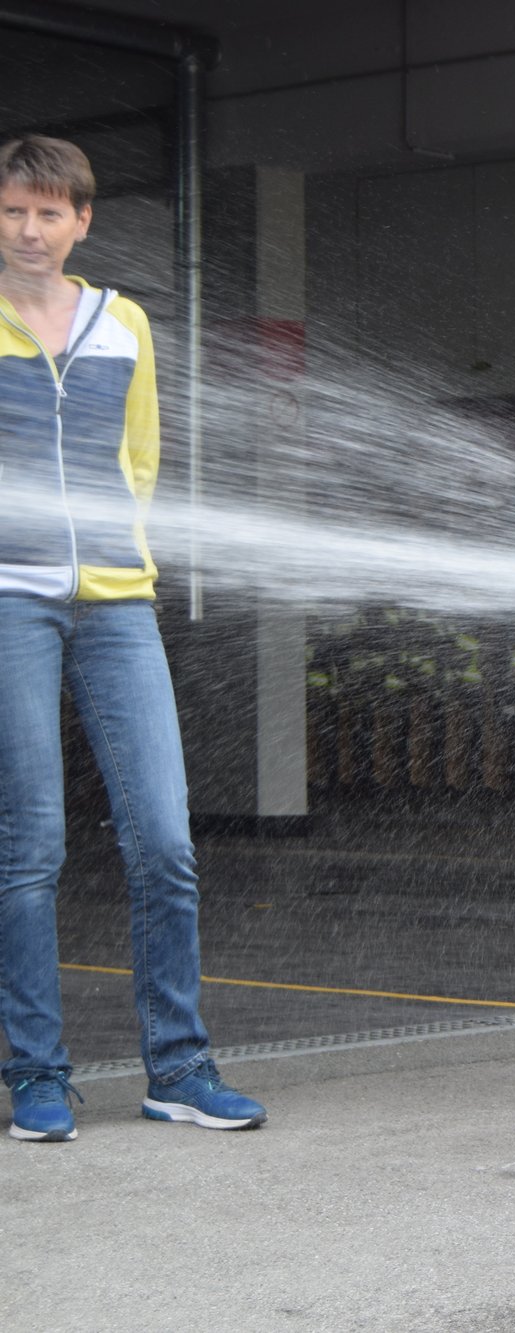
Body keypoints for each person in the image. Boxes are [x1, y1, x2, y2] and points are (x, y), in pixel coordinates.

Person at [0, 135, 265, 1138]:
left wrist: (128, 561)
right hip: (9, 599)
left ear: (82, 220)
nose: (29, 230)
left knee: (164, 839)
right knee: (30, 847)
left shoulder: (125, 323)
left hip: (117, 605)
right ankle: (36, 1074)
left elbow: (140, 456)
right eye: (13, 210)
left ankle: (179, 1068)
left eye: (48, 212)